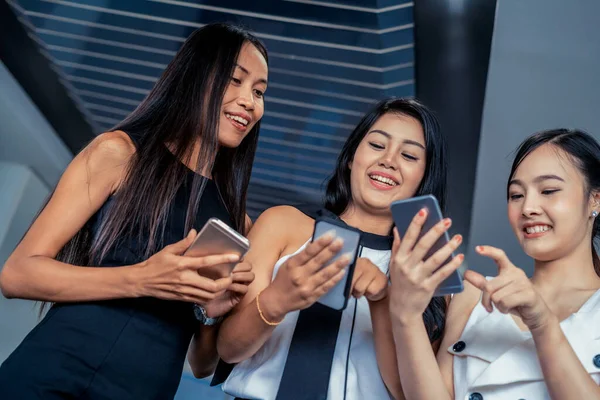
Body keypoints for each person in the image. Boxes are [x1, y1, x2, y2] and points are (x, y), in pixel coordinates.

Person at [0, 23, 268, 400]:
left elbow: (202, 364)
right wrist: (141, 278)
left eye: (259, 91)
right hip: (53, 373)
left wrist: (209, 312)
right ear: (194, 78)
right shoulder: (119, 153)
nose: (249, 101)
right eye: (234, 81)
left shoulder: (238, 223)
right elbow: (17, 274)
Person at [215, 97, 452, 400]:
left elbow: (406, 393)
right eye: (377, 145)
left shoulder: (426, 274)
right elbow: (228, 349)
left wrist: (383, 301)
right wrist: (279, 298)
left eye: (408, 155)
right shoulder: (282, 224)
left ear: (425, 177)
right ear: (352, 156)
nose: (388, 160)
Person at [389, 129, 600, 399]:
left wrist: (543, 323)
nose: (528, 208)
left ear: (595, 198)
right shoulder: (472, 297)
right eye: (516, 195)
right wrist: (405, 315)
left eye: (548, 190)